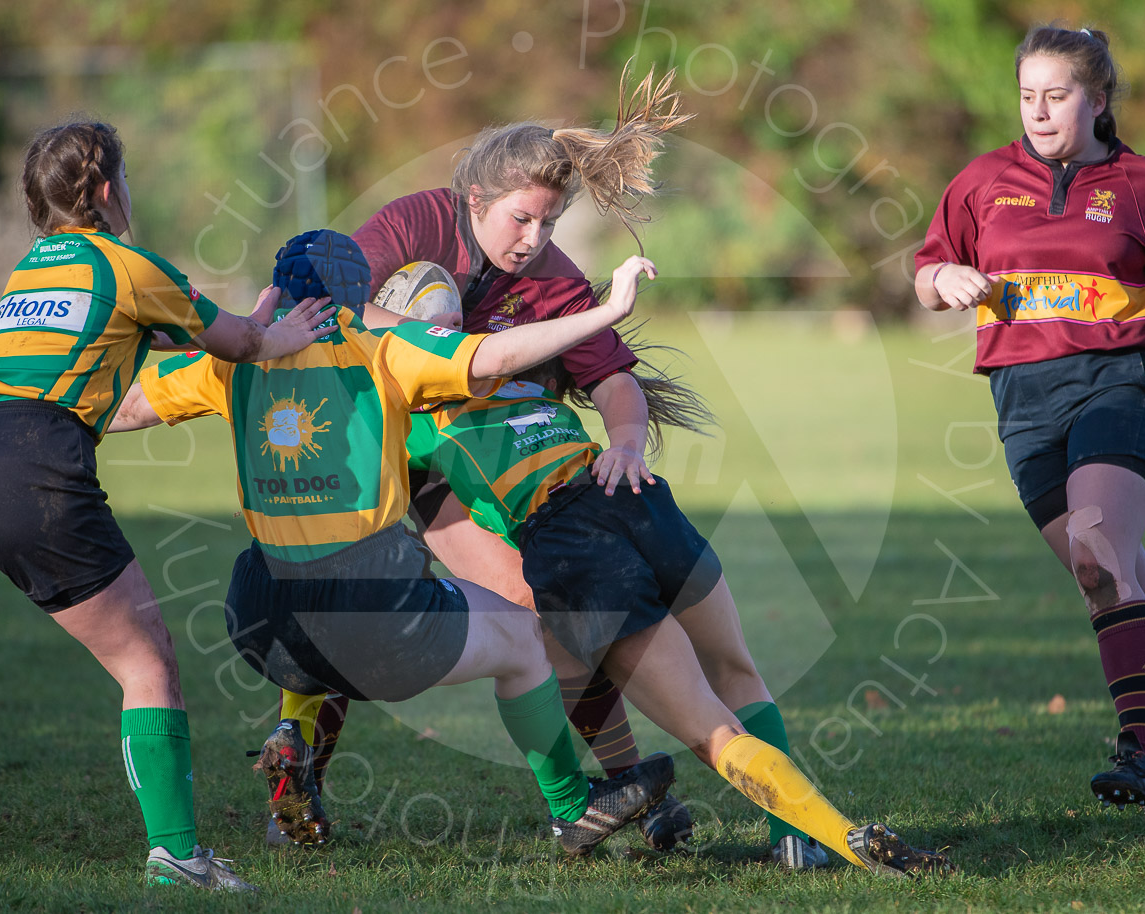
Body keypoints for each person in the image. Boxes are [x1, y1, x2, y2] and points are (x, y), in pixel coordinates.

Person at [0, 120, 333, 890]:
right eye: (121, 178)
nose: (127, 191)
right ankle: (177, 857)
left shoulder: (33, 268)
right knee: (146, 661)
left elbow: (161, 337)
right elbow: (241, 347)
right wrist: (279, 333)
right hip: (30, 462)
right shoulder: (130, 264)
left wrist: (249, 325)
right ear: (103, 190)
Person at [110, 230, 675, 858]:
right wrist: (606, 311)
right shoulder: (384, 348)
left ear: (279, 288)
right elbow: (493, 354)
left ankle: (292, 742)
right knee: (522, 638)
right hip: (371, 605)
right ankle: (572, 809)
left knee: (305, 598)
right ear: (359, 297)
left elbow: (124, 409)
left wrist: (65, 386)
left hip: (256, 613)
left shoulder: (232, 360)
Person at [282, 65, 708, 857]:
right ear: (474, 202)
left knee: (533, 600)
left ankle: (625, 793)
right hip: (374, 441)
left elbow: (614, 378)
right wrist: (445, 350)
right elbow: (338, 301)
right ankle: (297, 769)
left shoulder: (551, 278)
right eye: (521, 221)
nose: (534, 241)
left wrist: (623, 440)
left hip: (459, 465)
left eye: (548, 224)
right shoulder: (415, 224)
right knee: (359, 602)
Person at [402, 357, 955, 877]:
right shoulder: (516, 369)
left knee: (708, 729)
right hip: (633, 494)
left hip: (574, 543)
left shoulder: (411, 416)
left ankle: (845, 838)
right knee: (736, 670)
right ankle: (793, 841)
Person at [914, 25, 1145, 815]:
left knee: (1099, 554)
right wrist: (946, 278)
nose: (1039, 111)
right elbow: (927, 268)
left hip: (1117, 384)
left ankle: (1141, 756)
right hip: (1021, 402)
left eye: (1058, 95)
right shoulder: (982, 180)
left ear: (1098, 98)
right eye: (1027, 96)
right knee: (1117, 585)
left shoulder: (1139, 182)